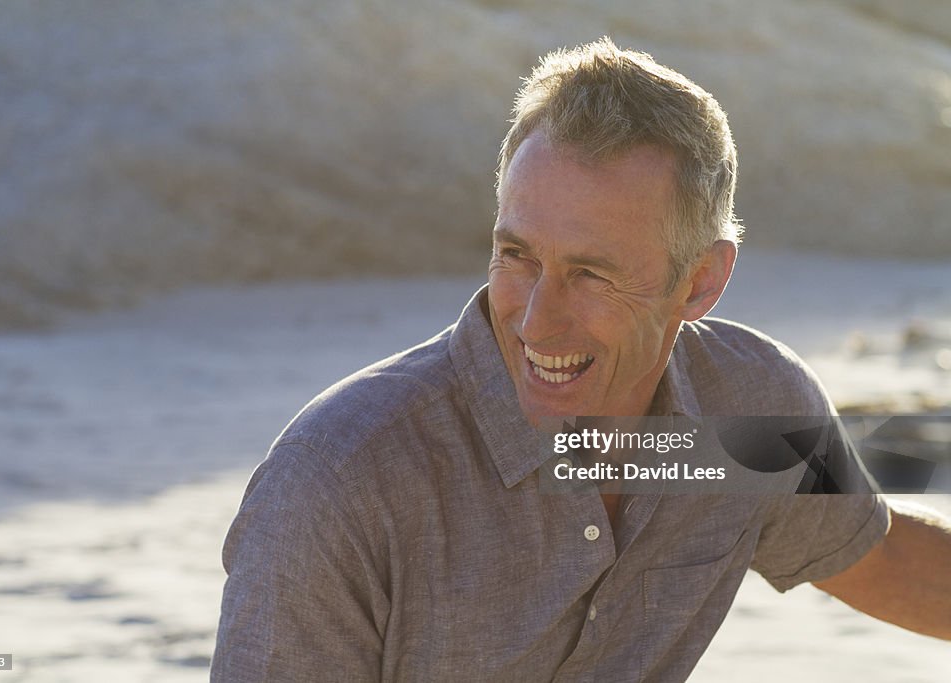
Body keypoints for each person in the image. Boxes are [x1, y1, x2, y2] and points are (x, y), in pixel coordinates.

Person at [212, 37, 951, 681]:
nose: (538, 320)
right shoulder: (346, 480)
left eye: (591, 273)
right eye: (517, 255)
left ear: (700, 281)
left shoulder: (743, 412)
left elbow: (880, 557)